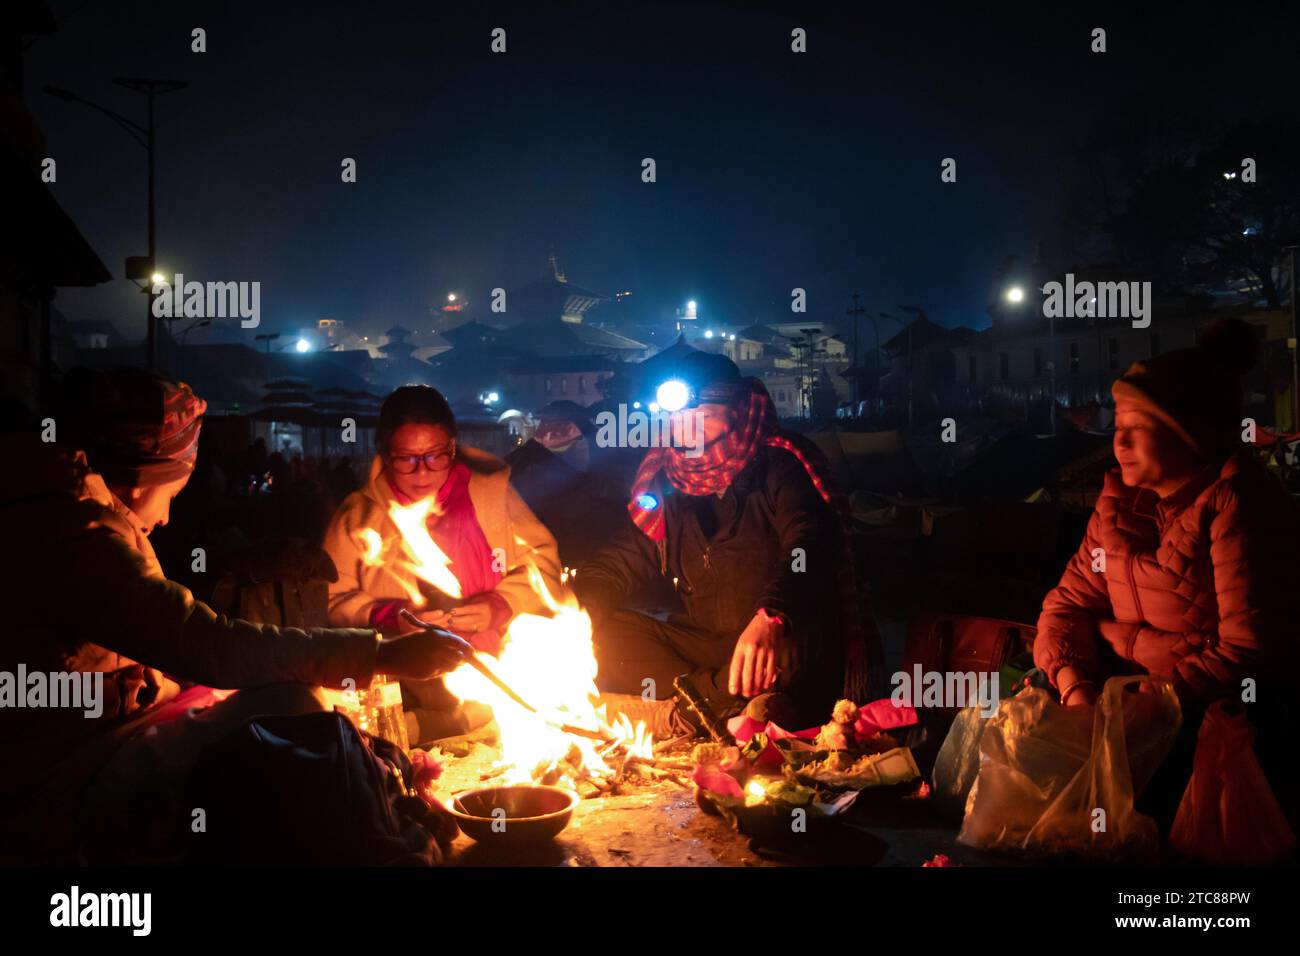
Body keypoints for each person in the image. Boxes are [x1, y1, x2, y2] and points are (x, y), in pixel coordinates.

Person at [0, 367, 462, 864]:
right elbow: (208, 644)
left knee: (306, 705)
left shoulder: (82, 518)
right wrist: (382, 653)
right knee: (293, 704)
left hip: (111, 742)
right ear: (141, 481)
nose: (167, 518)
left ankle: (379, 801)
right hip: (70, 779)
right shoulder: (74, 537)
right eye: (172, 494)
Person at [1033, 318, 1300, 828]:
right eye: (1118, 425)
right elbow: (1067, 604)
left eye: (1141, 426)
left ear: (1190, 433)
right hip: (1117, 704)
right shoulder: (1118, 504)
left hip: (1201, 723)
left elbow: (1249, 653)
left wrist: (1145, 708)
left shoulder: (1240, 503)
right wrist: (1075, 688)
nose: (1120, 441)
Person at [573, 352, 882, 735]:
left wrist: (772, 615)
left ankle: (702, 710)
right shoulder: (670, 484)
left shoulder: (780, 464)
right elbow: (618, 562)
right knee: (600, 636)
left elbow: (809, 542)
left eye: (699, 416)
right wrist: (574, 612)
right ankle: (722, 707)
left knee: (780, 664)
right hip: (711, 647)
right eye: (676, 418)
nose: (684, 430)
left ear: (737, 411)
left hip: (784, 639)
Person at [323, 385, 562, 744]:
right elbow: (329, 598)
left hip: (494, 658)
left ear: (452, 446)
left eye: (435, 455)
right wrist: (387, 616)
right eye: (406, 458)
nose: (422, 472)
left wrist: (499, 605)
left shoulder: (490, 494)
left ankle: (443, 723)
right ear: (385, 453)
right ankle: (423, 727)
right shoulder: (360, 515)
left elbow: (543, 565)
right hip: (405, 672)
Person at [506, 400, 628, 567]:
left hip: (586, 549)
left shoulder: (600, 461)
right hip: (549, 549)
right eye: (547, 424)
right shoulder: (530, 459)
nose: (549, 430)